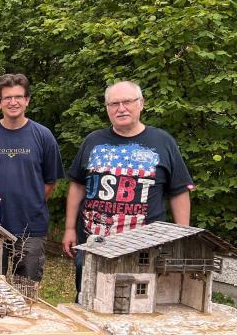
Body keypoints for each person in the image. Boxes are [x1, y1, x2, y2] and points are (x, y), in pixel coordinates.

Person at [62, 81, 193, 295]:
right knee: (88, 299)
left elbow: (179, 192)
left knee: (138, 298)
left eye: (127, 102)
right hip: (94, 244)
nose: (121, 108)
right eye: (114, 103)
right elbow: (77, 185)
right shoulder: (93, 141)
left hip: (144, 248)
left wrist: (182, 240)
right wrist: (69, 228)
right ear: (107, 109)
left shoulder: (163, 142)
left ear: (141, 103)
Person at [0, 73, 64, 282]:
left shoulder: (43, 135)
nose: (13, 102)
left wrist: (31, 203)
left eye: (18, 97)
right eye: (7, 98)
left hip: (31, 227)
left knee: (27, 288)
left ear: (27, 100)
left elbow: (50, 181)